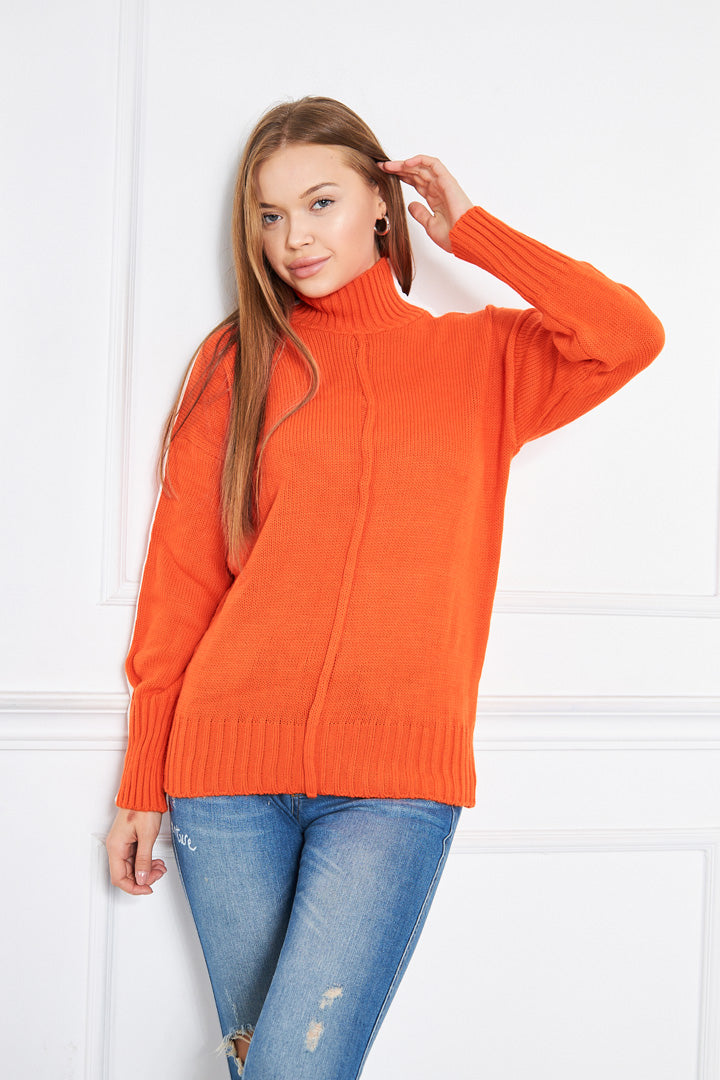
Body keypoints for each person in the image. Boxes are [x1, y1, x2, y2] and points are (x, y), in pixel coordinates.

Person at [105, 95, 665, 1079]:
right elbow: (182, 577)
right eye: (271, 215)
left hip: (394, 786)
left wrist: (474, 230)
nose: (295, 237)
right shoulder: (239, 362)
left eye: (320, 202)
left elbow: (628, 334)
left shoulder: (483, 360)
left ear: (380, 201)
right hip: (224, 775)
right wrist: (142, 775)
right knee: (260, 1063)